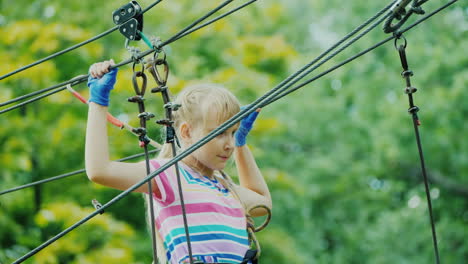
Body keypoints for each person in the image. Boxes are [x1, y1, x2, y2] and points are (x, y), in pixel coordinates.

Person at [85, 59, 272, 264]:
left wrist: (242, 144)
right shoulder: (170, 175)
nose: (229, 145)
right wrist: (98, 101)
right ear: (186, 132)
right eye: (219, 133)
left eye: (233, 133)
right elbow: (100, 170)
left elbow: (263, 203)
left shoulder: (225, 188)